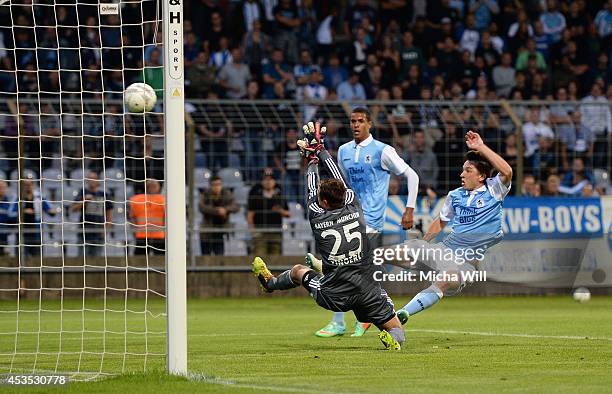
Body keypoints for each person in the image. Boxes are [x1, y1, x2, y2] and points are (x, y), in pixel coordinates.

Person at [252, 125, 405, 350]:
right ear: (344, 196)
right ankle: (393, 339)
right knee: (397, 329)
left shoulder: (316, 213)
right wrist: (322, 150)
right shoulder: (354, 204)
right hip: (367, 291)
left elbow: (311, 187)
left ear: (323, 202)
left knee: (298, 271)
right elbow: (339, 178)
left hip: (334, 294)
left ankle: (270, 283)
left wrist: (311, 160)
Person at [310, 108, 419, 338]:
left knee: (344, 267)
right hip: (348, 218)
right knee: (355, 270)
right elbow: (342, 186)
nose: (356, 125)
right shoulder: (344, 151)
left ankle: (343, 320)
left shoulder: (383, 150)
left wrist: (409, 208)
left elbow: (412, 175)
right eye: (352, 121)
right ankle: (365, 317)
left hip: (371, 222)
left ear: (370, 123)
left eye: (361, 121)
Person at [394, 130, 513, 324]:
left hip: (466, 263)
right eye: (463, 169)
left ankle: (402, 314)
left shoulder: (494, 189)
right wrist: (424, 243)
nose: (462, 174)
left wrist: (481, 147)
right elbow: (441, 221)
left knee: (446, 281)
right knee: (391, 254)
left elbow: (507, 171)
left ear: (482, 176)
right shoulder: (455, 195)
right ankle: (354, 274)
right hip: (445, 251)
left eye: (468, 170)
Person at [247, 168, 290, 255]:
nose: (268, 182)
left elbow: (288, 213)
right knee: (259, 257)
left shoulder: (279, 196)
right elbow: (250, 215)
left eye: (270, 179)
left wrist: (280, 210)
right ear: (262, 181)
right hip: (260, 231)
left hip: (276, 232)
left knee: (276, 257)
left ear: (274, 181)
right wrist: (253, 231)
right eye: (265, 179)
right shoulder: (256, 196)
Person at [71, 171, 112, 257]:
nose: (92, 180)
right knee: (82, 258)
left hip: (98, 231)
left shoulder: (104, 195)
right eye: (90, 178)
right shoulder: (82, 192)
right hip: (84, 231)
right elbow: (73, 209)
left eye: (94, 178)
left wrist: (106, 230)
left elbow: (109, 215)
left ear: (98, 180)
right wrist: (84, 201)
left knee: (97, 259)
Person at [199, 176, 239, 255]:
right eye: (214, 184)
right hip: (207, 230)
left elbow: (236, 206)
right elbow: (201, 207)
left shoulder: (226, 193)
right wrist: (217, 211)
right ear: (210, 185)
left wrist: (225, 210)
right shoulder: (206, 194)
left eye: (218, 184)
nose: (216, 187)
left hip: (220, 230)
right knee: (206, 256)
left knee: (220, 255)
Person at [129, 179, 165, 255]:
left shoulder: (136, 199)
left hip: (152, 234)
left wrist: (134, 230)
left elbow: (132, 218)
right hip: (149, 234)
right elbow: (132, 217)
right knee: (160, 259)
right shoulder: (164, 200)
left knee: (142, 260)